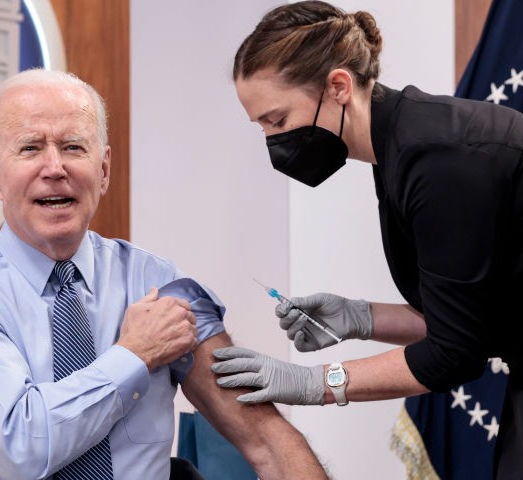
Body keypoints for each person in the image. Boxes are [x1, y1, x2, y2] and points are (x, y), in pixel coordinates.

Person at [0, 68, 328, 479]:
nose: (55, 168)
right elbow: (21, 445)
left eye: (73, 147)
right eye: (30, 147)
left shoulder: (160, 285)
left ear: (103, 170)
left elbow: (267, 440)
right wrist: (134, 356)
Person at [209, 1, 523, 479]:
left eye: (277, 120)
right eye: (262, 127)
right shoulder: (398, 144)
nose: (273, 141)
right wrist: (359, 317)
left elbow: (453, 355)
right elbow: (463, 322)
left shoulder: (439, 160)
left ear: (338, 86)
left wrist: (315, 382)